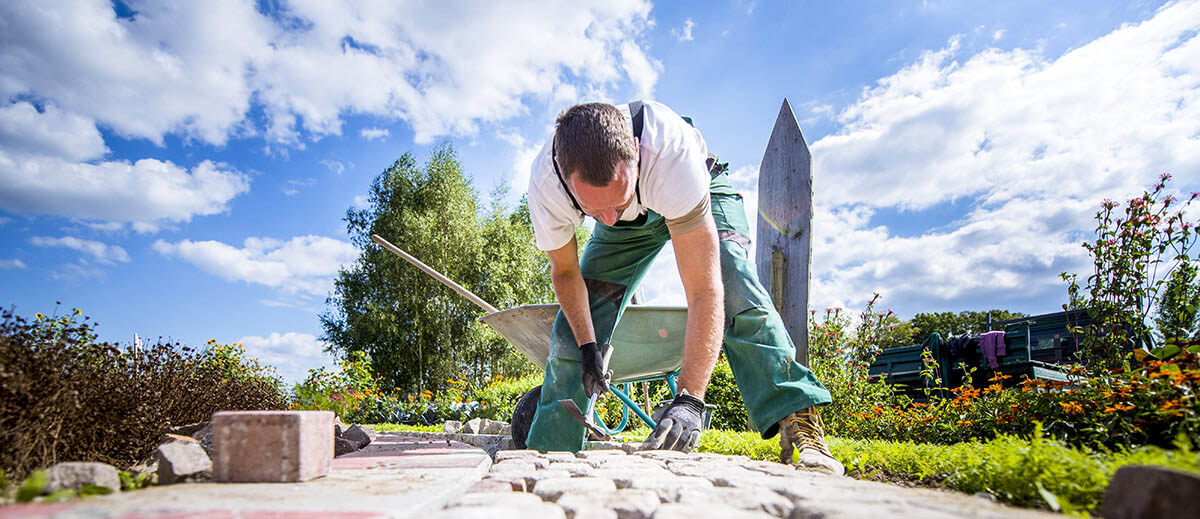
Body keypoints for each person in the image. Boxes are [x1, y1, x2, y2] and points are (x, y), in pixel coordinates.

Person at [524, 100, 842, 475]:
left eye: (618, 199)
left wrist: (690, 399)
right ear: (566, 177)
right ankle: (547, 454)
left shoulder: (670, 155)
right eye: (593, 210)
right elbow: (566, 273)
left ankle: (801, 427)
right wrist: (587, 346)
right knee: (573, 329)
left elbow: (704, 291)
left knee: (735, 285)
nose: (608, 218)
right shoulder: (548, 185)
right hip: (624, 231)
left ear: (637, 157)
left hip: (697, 194)